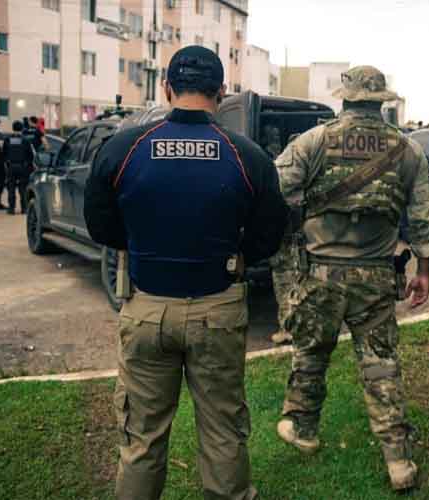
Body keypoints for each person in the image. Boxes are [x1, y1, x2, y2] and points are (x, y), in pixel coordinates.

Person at [84, 45, 288, 500]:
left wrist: (145, 245)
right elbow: (270, 232)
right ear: (221, 91)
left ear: (166, 88)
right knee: (223, 430)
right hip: (218, 309)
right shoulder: (247, 155)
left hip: (146, 308)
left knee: (141, 438)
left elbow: (101, 226)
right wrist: (236, 254)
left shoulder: (123, 148)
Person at [274, 65, 429, 491]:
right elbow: (423, 217)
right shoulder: (407, 150)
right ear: (381, 101)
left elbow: (276, 190)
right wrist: (423, 271)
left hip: (320, 274)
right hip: (376, 275)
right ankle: (398, 462)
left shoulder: (313, 141)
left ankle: (303, 429)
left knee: (311, 354)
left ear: (344, 98)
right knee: (381, 366)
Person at [2, 120, 36, 215]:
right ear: (22, 128)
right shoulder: (25, 140)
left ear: (12, 128)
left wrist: (7, 164)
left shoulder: (7, 139)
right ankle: (24, 208)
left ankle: (11, 209)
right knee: (23, 188)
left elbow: (4, 153)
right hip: (23, 167)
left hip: (11, 166)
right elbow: (31, 155)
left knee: (11, 188)